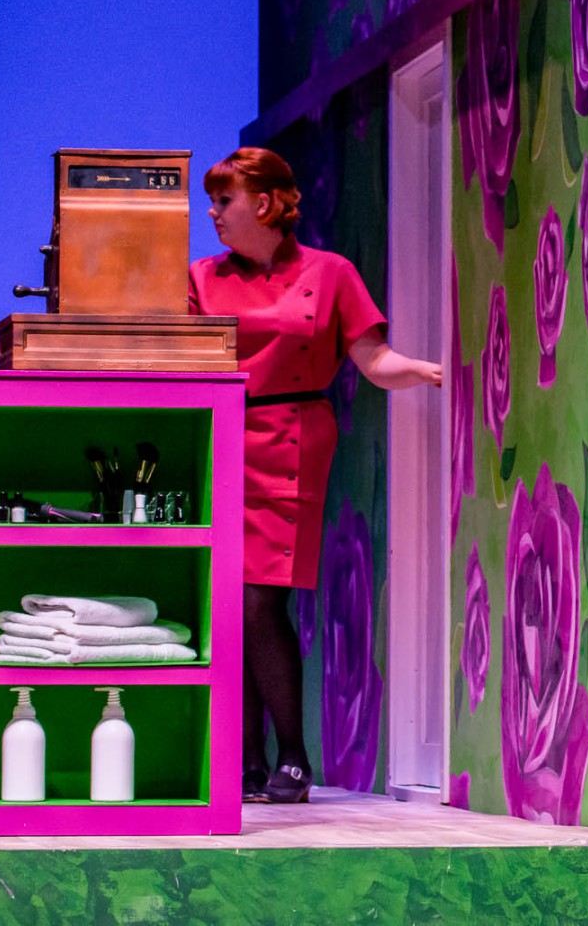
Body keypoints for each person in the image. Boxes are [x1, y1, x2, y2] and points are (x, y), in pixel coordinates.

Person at [188, 147, 441, 803]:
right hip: (218, 438)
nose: (212, 213)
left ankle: (293, 758)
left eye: (223, 200)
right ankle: (244, 761)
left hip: (292, 439)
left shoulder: (330, 273)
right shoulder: (200, 278)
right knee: (226, 602)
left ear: (265, 203)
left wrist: (423, 371)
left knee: (260, 599)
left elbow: (373, 358)